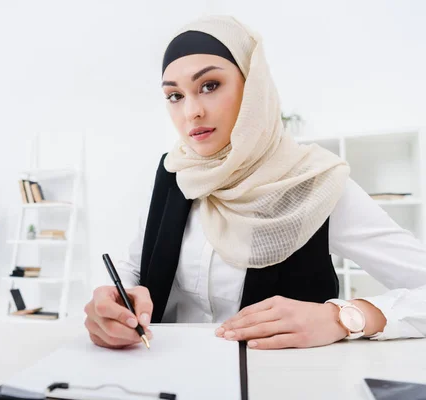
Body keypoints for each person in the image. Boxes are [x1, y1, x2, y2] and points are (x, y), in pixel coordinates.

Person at [84, 15, 426, 350]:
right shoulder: (176, 172)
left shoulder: (314, 182)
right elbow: (135, 264)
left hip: (278, 383)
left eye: (209, 86)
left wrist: (343, 317)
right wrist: (116, 300)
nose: (191, 112)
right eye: (175, 96)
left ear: (253, 86)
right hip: (167, 375)